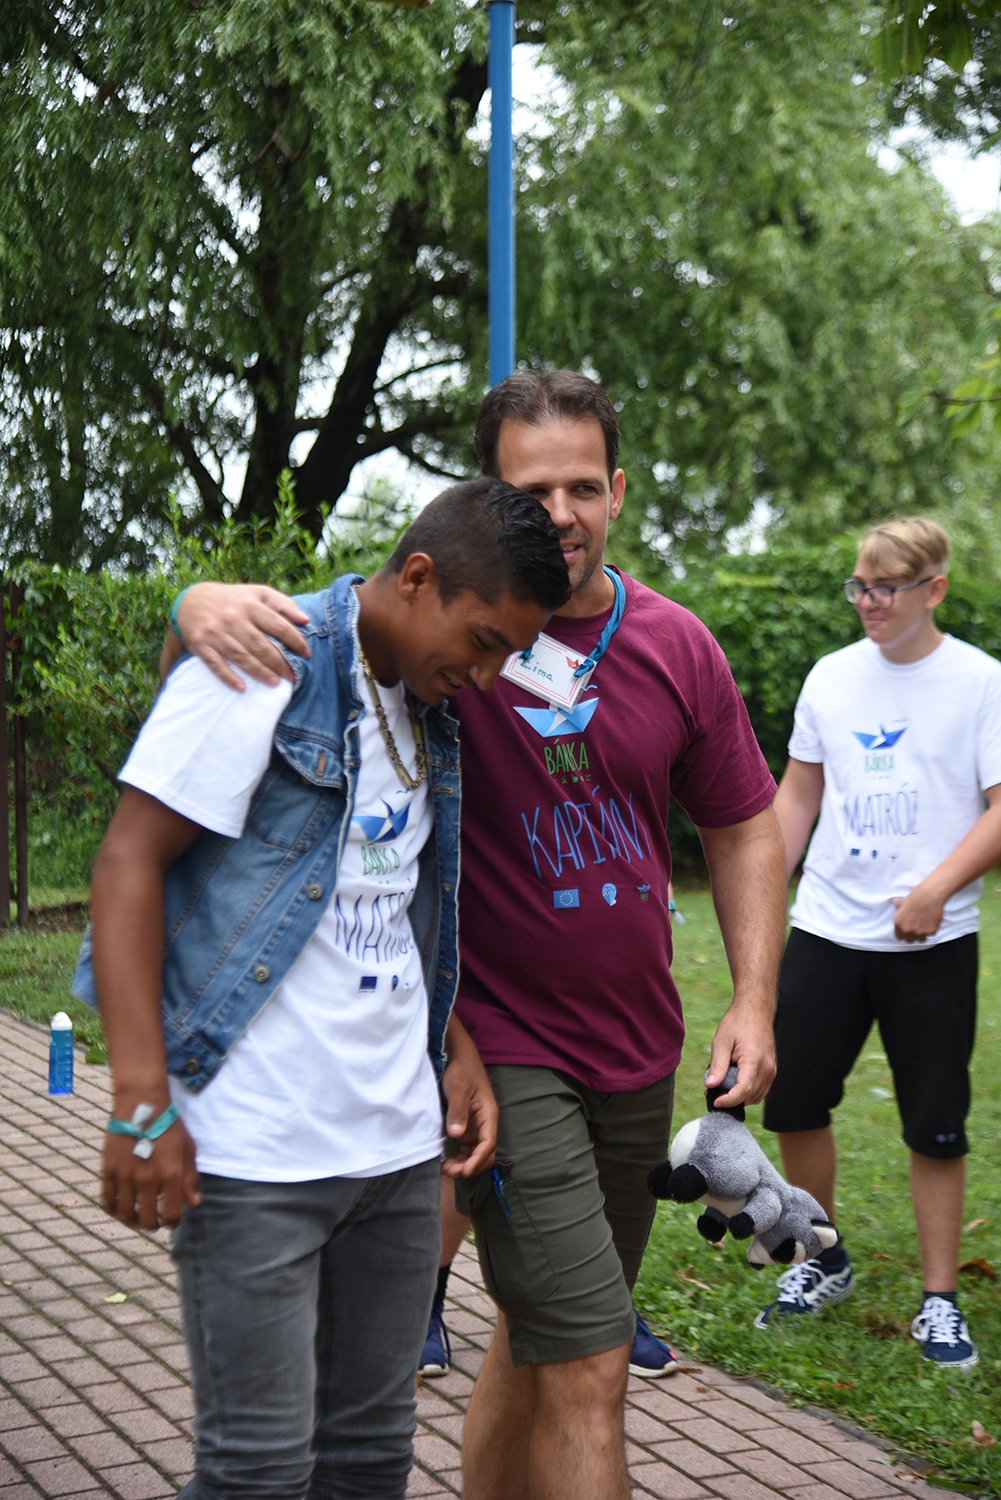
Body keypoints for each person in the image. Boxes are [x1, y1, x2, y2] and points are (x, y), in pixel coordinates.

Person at [170, 371, 788, 1500]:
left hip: (636, 1048)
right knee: (593, 1359)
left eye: (582, 487)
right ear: (488, 494)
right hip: (500, 1046)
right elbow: (332, 630)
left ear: (617, 491)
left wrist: (751, 999)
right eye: (532, 489)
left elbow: (742, 823)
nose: (561, 512)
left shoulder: (678, 645)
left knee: (540, 1335)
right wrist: (193, 604)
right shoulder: (451, 629)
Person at [73, 479, 570, 1500]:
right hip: (254, 1155)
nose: (485, 677)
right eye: (482, 642)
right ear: (418, 577)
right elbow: (127, 864)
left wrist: (452, 1047)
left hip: (394, 1155)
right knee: (256, 1473)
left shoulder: (428, 707)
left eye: (505, 656)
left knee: (369, 1461)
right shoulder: (264, 661)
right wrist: (139, 1096)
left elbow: (386, 908)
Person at [762, 517, 1001, 1370]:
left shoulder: (979, 682)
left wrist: (936, 889)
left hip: (933, 943)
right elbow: (798, 796)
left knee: (934, 1123)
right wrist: (763, 886)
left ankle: (938, 1300)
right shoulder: (831, 677)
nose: (867, 602)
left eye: (884, 588)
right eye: (858, 586)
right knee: (792, 1100)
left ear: (932, 589)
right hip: (826, 927)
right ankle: (822, 1257)